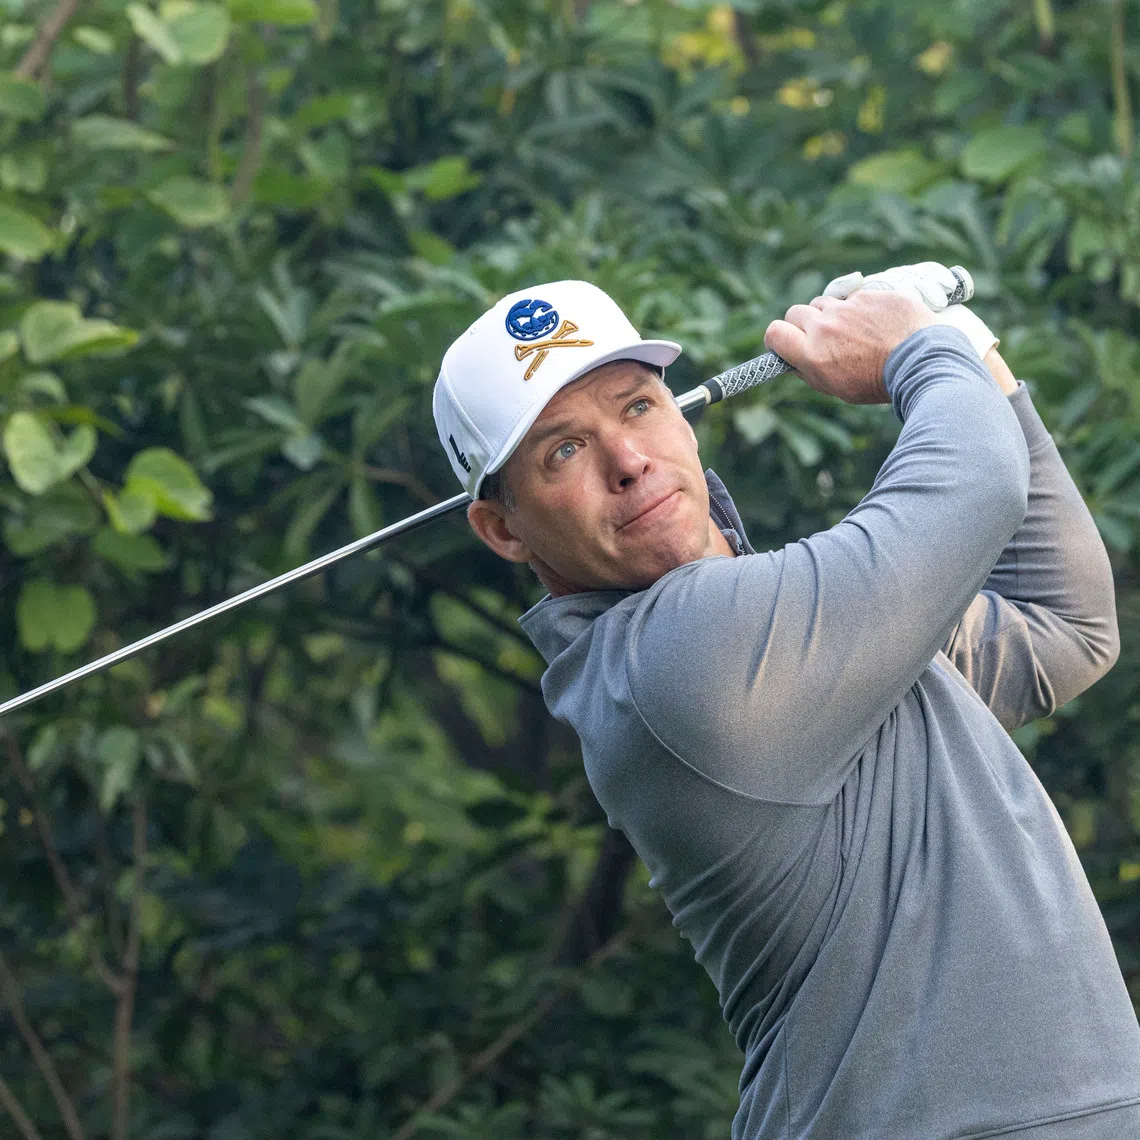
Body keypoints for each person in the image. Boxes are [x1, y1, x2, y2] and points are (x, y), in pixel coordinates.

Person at [432, 270, 1140, 1138]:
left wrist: (970, 344)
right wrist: (918, 346)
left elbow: (1061, 623)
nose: (628, 461)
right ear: (503, 529)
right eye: (563, 452)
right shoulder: (680, 659)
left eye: (638, 407)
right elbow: (979, 485)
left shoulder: (812, 645)